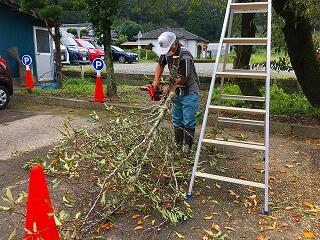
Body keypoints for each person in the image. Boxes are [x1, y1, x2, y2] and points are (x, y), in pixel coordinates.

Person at [152, 31, 200, 155]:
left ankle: (187, 147)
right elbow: (160, 65)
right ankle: (178, 144)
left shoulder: (185, 56)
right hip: (176, 91)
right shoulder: (166, 51)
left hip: (189, 91)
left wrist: (168, 87)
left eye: (169, 49)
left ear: (175, 44)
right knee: (177, 118)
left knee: (188, 119)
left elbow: (183, 78)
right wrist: (156, 81)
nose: (167, 52)